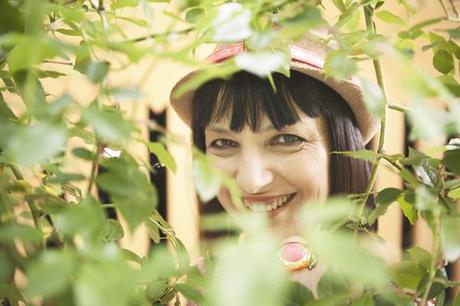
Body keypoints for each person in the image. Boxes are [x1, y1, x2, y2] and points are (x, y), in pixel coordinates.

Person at [169, 31, 380, 294]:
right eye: (223, 143)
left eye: (286, 139)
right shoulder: (200, 288)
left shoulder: (397, 292)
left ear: (343, 146)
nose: (251, 181)